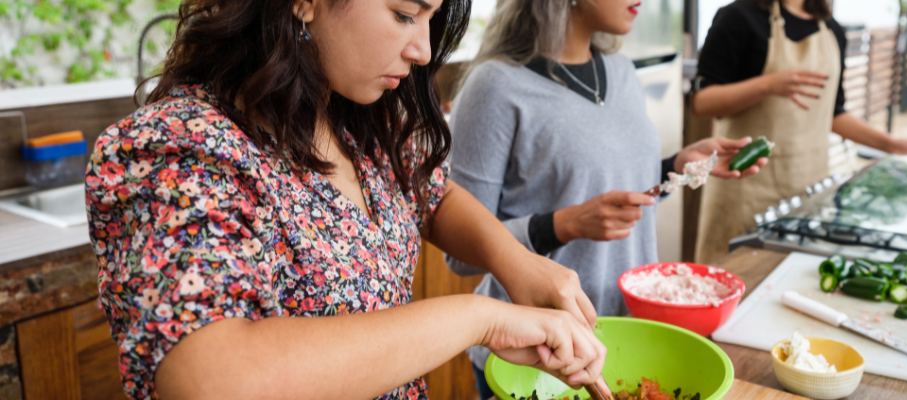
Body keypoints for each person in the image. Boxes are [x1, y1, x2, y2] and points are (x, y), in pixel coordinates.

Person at [85, 0, 609, 398]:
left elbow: (431, 195)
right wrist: (482, 318)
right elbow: (207, 377)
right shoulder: (180, 147)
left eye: (430, 19)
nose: (423, 50)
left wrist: (517, 262)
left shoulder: (358, 116)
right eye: (404, 14)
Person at [445, 0, 768, 397]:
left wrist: (675, 167)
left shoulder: (622, 71)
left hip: (631, 340)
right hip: (539, 354)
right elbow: (458, 254)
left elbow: (611, 189)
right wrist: (562, 225)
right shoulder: (494, 86)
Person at [692, 0, 907, 263]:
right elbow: (703, 102)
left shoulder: (831, 30)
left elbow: (834, 113)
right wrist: (767, 85)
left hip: (808, 191)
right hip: (744, 187)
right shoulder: (738, 17)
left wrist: (892, 144)